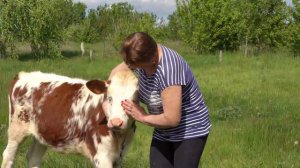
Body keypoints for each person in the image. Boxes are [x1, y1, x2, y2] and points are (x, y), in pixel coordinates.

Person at [109, 32, 211, 168]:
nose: (131, 67)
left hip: (190, 130)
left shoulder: (168, 70)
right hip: (162, 129)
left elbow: (172, 119)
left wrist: (142, 116)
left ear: (152, 60)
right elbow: (114, 76)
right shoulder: (141, 55)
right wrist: (108, 95)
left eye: (135, 66)